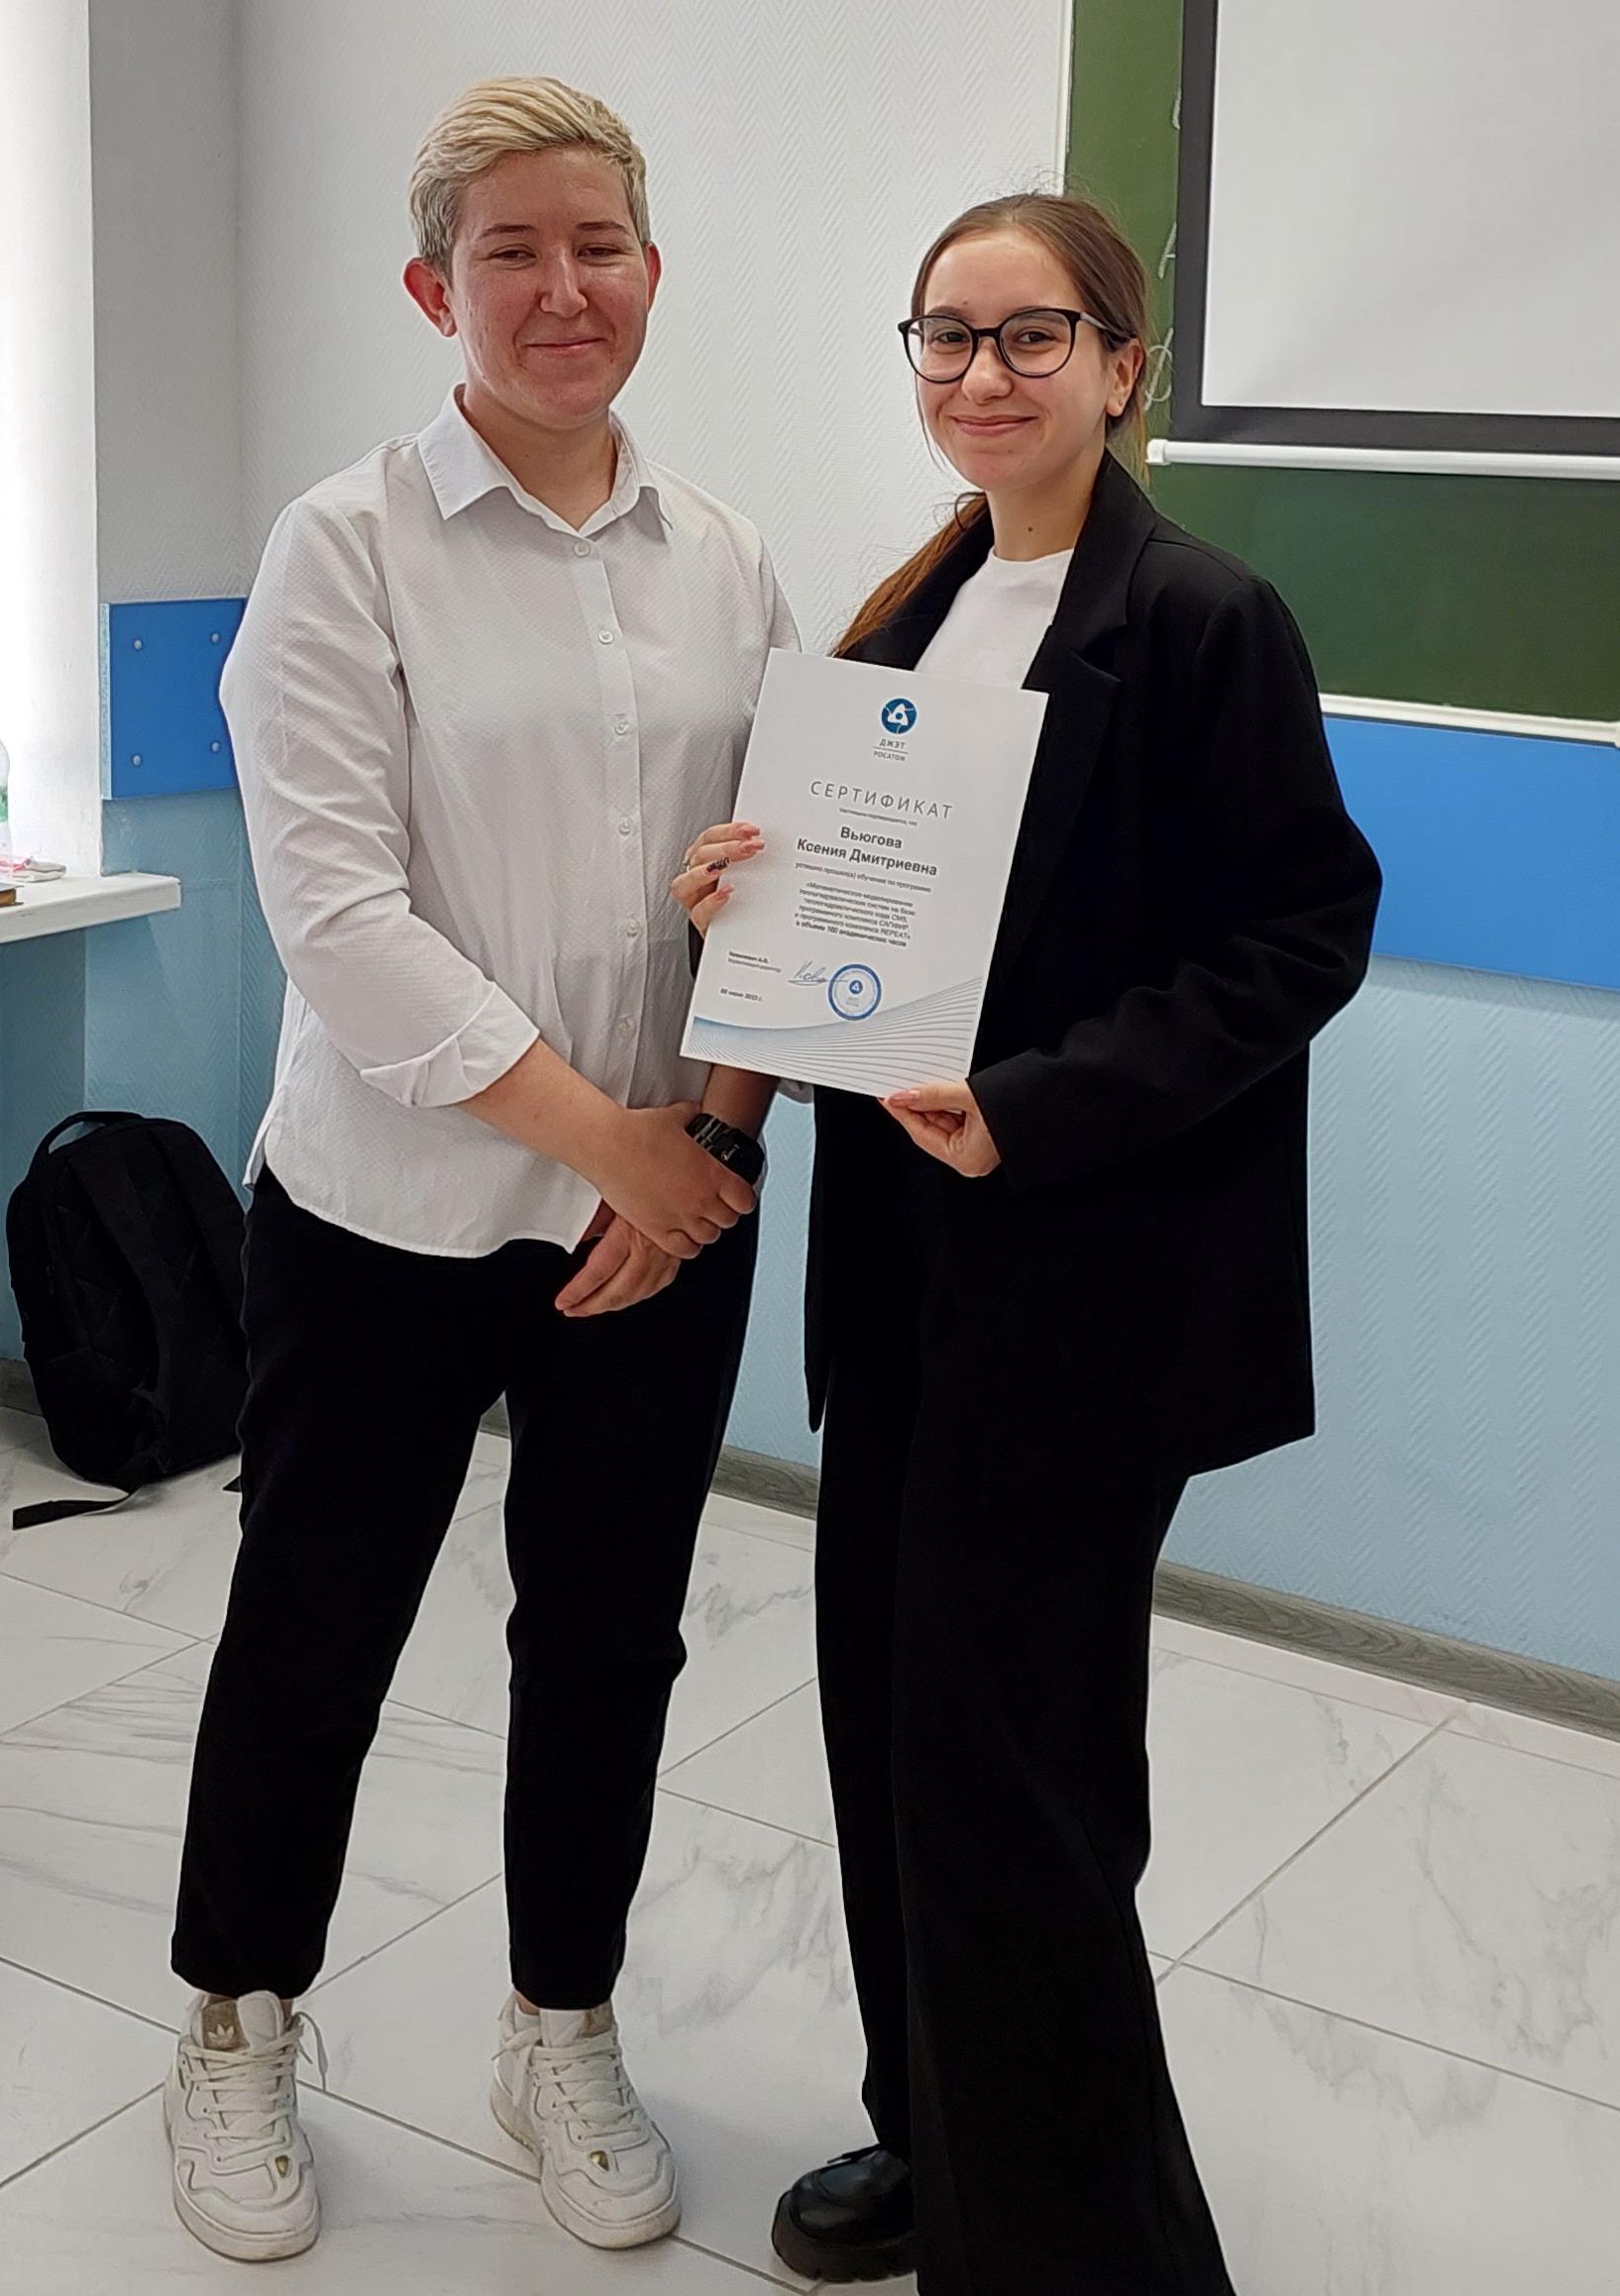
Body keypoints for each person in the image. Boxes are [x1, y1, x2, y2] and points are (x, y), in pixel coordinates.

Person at [674, 192, 1381, 2294]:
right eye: (947, 336)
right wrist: (745, 908)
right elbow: (875, 929)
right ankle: (936, 2132)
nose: (983, 373)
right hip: (901, 1282)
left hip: (1086, 1293)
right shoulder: (907, 621)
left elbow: (1300, 932)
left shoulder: (1204, 618)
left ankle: (1081, 2245)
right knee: (891, 1731)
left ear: (1122, 367)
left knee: (1019, 1778)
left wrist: (1038, 1105)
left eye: (1032, 334)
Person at [164, 77, 788, 2264]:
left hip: (674, 1209)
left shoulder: (725, 559)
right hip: (392, 1217)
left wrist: (708, 1145)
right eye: (510, 250)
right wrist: (614, 1141)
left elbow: (789, 892)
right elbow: (340, 922)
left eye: (596, 244)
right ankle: (237, 2021)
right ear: (437, 289)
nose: (561, 286)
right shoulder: (342, 550)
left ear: (651, 271)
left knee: (611, 1639)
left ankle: (562, 2022)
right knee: (312, 1625)